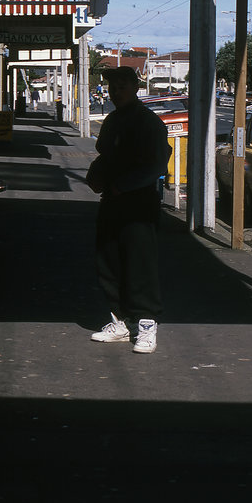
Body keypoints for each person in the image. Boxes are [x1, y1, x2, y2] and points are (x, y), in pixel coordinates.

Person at [86, 66, 170, 354]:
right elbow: (105, 155)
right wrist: (95, 177)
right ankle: (119, 321)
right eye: (113, 86)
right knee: (108, 262)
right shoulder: (112, 120)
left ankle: (146, 326)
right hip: (112, 202)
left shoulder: (149, 123)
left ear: (135, 87)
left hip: (139, 205)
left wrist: (125, 185)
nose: (116, 91)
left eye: (122, 86)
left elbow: (158, 165)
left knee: (140, 265)